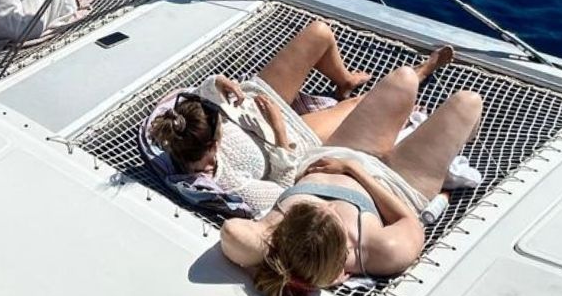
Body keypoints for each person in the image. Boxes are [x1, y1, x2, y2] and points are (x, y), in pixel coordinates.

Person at [218, 77, 484, 296]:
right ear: (341, 263)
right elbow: (409, 221)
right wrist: (355, 173)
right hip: (400, 183)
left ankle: (407, 127)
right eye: (334, 217)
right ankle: (457, 139)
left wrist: (273, 262)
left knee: (404, 79)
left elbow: (231, 232)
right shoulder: (376, 251)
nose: (331, 207)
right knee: (467, 103)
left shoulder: (272, 233)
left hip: (339, 154)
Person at [148, 21, 444, 211]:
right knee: (362, 104)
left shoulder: (180, 128)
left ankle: (344, 80)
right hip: (291, 136)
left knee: (319, 32)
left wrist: (215, 84)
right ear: (213, 146)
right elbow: (285, 190)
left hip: (255, 99)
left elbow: (192, 99)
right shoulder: (231, 181)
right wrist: (279, 134)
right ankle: (418, 75)